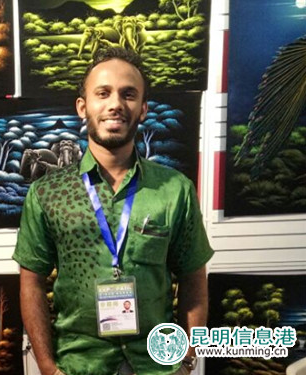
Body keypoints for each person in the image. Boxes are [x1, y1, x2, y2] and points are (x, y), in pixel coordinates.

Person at [13, 47, 213, 375]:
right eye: (103, 93)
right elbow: (31, 284)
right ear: (83, 106)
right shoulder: (46, 192)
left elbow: (194, 280)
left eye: (128, 94)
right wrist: (47, 367)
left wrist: (188, 360)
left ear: (143, 109)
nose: (115, 104)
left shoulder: (175, 190)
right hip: (79, 365)